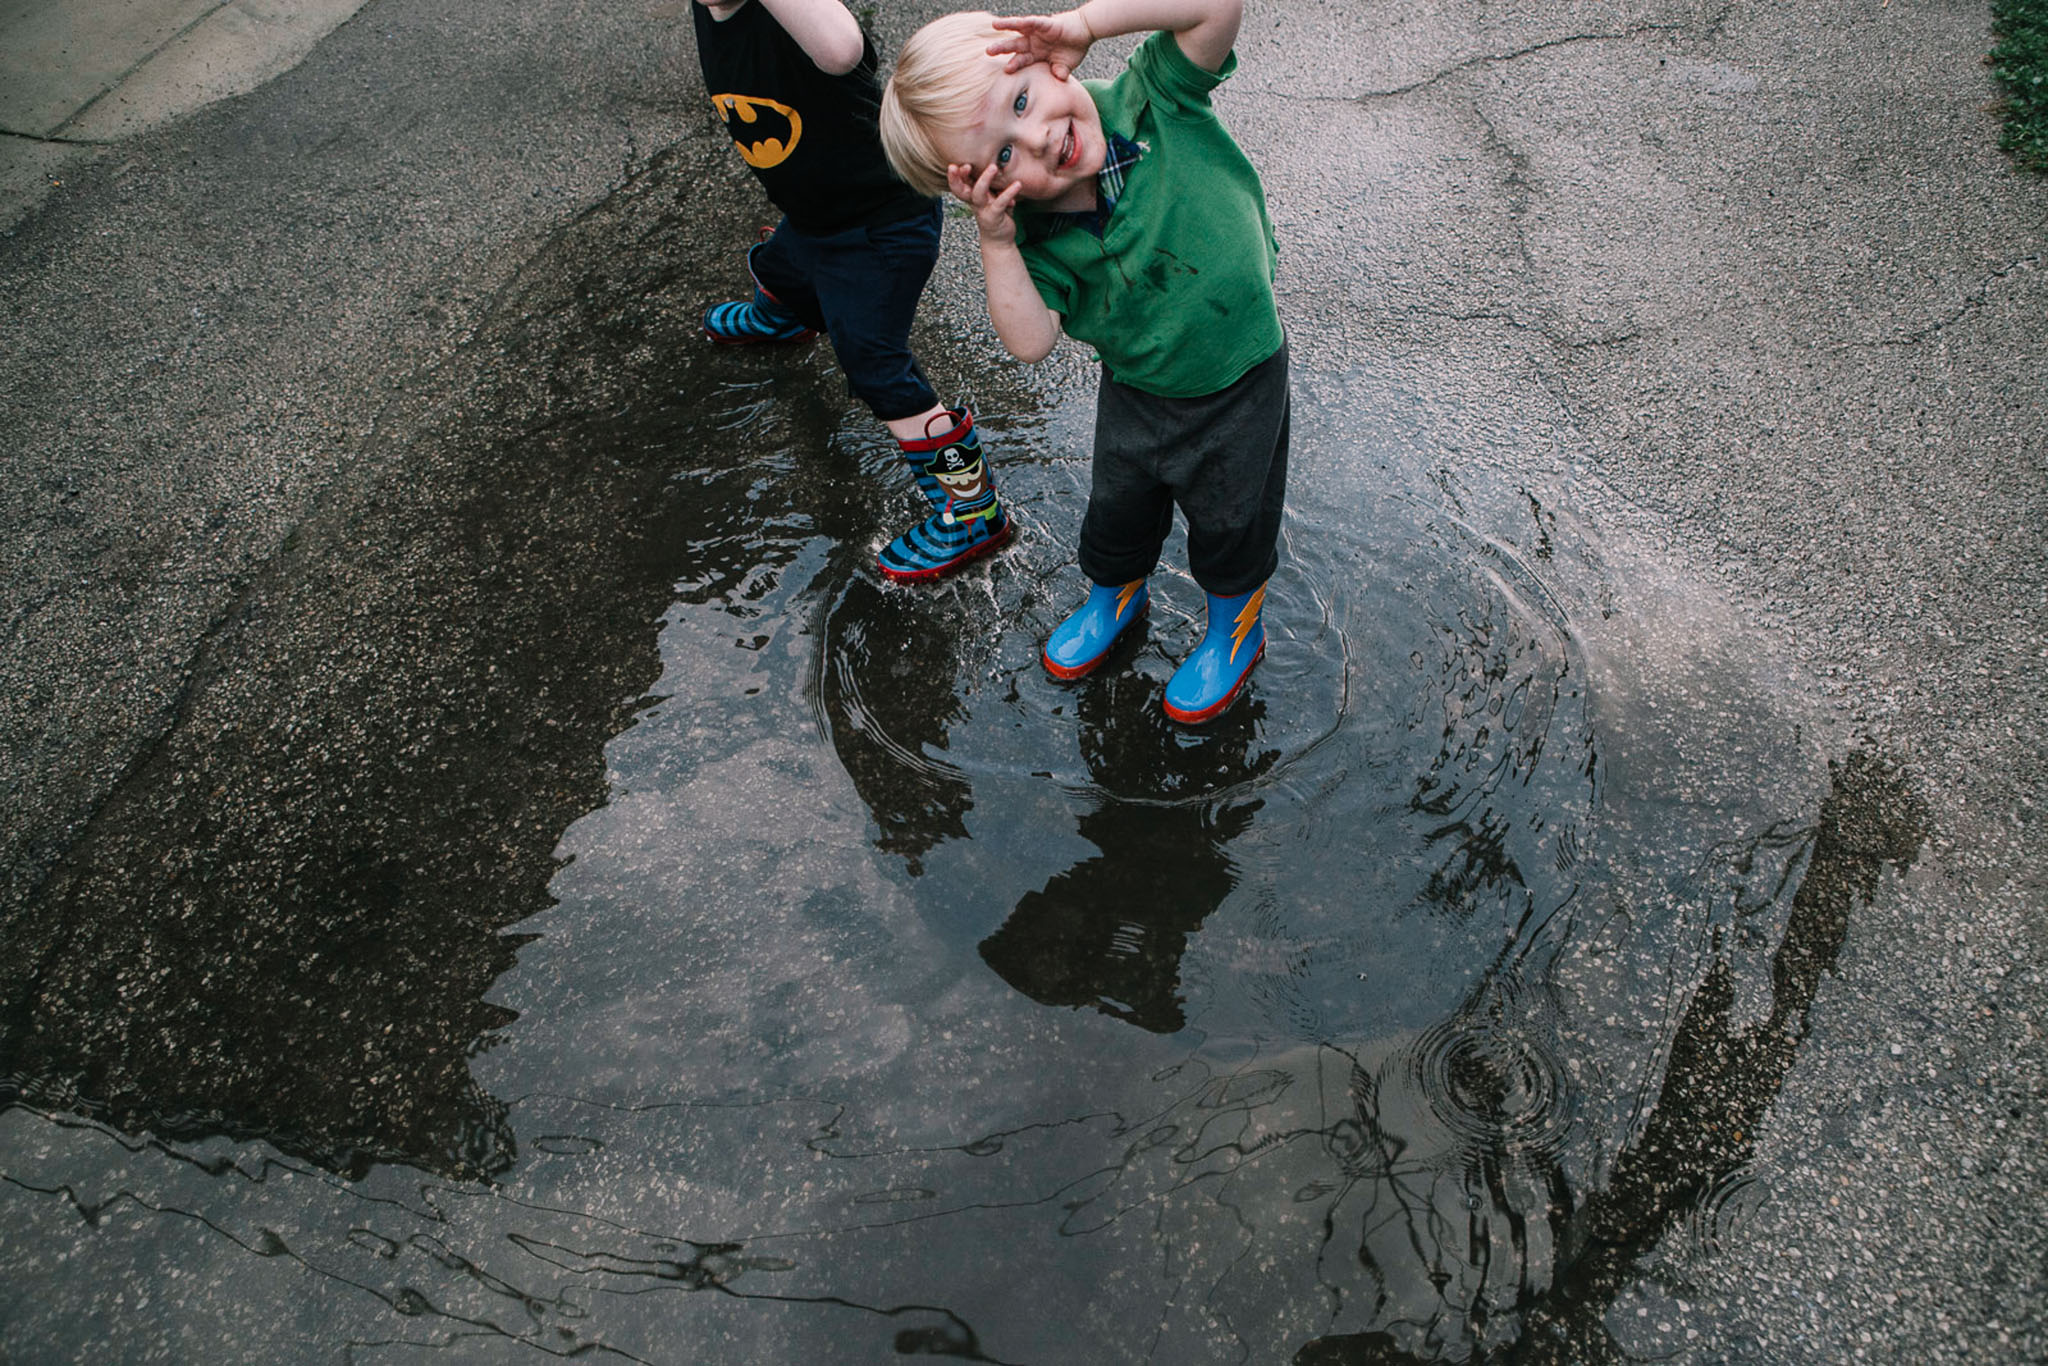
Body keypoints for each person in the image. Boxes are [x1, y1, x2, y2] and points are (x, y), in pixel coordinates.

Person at [878, 0, 1287, 723]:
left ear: (1045, 58)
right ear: (984, 186)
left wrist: (1092, 22)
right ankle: (1114, 594)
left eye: (1025, 100)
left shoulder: (1153, 98)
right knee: (1117, 512)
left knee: (1231, 522)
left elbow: (1216, 5)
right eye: (1002, 156)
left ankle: (1233, 626)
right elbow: (1031, 340)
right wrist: (998, 243)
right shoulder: (1034, 235)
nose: (1037, 140)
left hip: (1239, 376)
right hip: (1136, 387)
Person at [691, 0, 1010, 580]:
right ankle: (785, 317)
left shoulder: (799, 19)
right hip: (812, 221)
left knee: (874, 364)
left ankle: (971, 507)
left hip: (879, 228)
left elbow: (841, 50)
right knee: (779, 269)